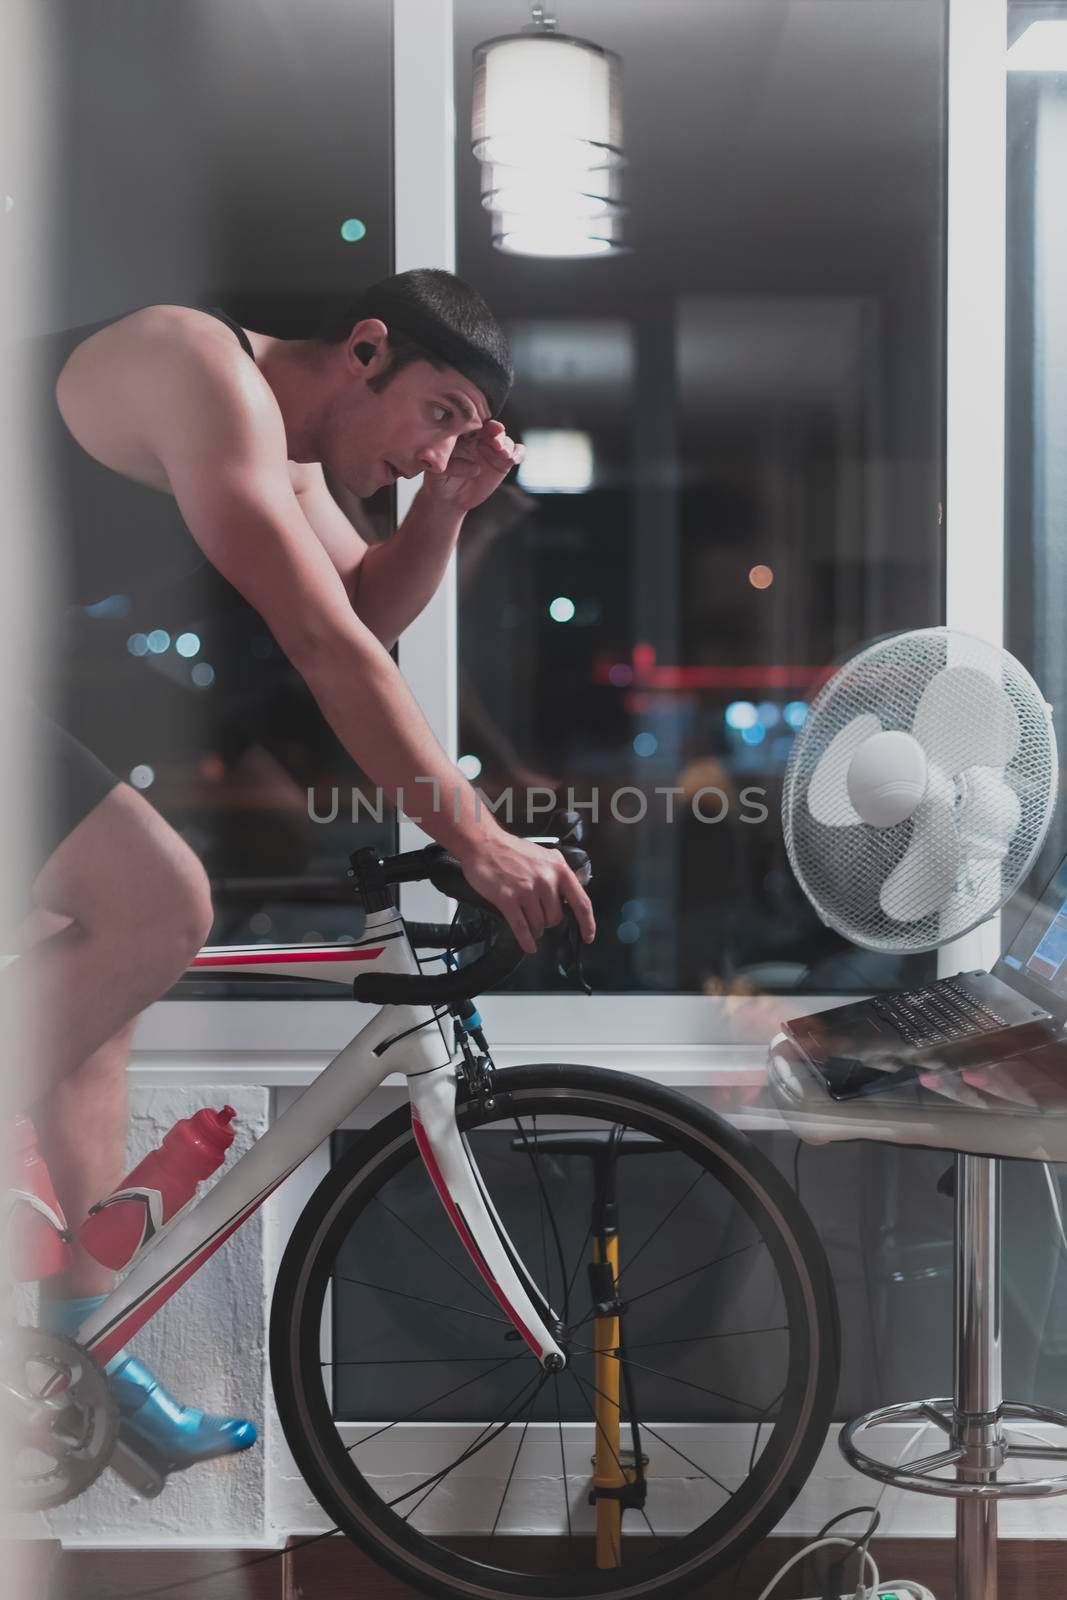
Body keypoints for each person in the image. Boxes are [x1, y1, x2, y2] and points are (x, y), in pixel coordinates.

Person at [16, 269, 596, 1476]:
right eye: (435, 413)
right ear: (366, 350)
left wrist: (443, 509)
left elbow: (364, 602)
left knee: (98, 997)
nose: (433, 445)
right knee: (159, 903)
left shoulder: (285, 455)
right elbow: (323, 646)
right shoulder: (194, 364)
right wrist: (478, 838)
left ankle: (73, 1358)